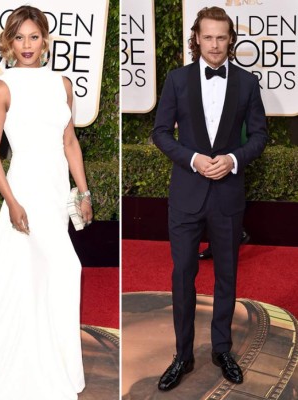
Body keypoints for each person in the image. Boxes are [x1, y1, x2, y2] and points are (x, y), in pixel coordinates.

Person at [0, 5, 92, 399]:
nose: (27, 45)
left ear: (45, 40)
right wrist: (11, 201)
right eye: (19, 37)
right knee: (67, 267)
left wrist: (83, 190)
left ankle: (48, 349)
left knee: (42, 273)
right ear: (9, 43)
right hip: (26, 186)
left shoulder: (62, 84)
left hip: (57, 187)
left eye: (34, 36)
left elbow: (69, 141)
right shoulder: (1, 88)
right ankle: (48, 361)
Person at [152, 6, 267, 391]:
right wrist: (193, 159)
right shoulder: (177, 80)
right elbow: (161, 132)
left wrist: (233, 159)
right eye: (208, 37)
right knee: (183, 275)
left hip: (228, 196)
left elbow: (259, 137)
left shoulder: (248, 83)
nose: (215, 45)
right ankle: (183, 355)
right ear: (196, 39)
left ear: (230, 39)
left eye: (221, 37)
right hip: (186, 193)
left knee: (227, 277)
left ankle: (222, 349)